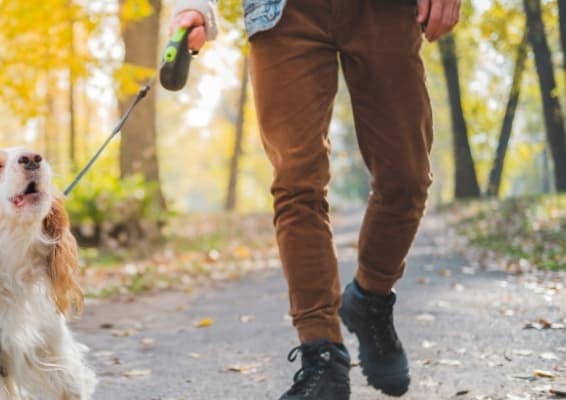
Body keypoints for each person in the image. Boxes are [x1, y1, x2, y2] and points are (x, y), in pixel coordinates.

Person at [169, 0, 460, 398]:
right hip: (282, 13)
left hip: (386, 11)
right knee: (297, 183)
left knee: (406, 177)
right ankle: (321, 354)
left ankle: (371, 299)